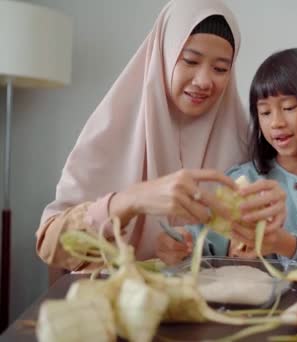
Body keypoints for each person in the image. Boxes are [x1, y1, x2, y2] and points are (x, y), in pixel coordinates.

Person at [35, 0, 270, 271]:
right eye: (190, 61)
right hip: (122, 303)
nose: (204, 81)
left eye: (220, 69)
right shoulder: (114, 129)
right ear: (164, 56)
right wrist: (132, 200)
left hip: (215, 307)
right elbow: (50, 244)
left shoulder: (247, 142)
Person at [157, 48, 297, 267]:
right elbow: (210, 238)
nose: (276, 122)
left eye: (288, 107)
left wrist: (283, 243)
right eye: (265, 112)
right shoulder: (242, 178)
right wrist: (179, 240)